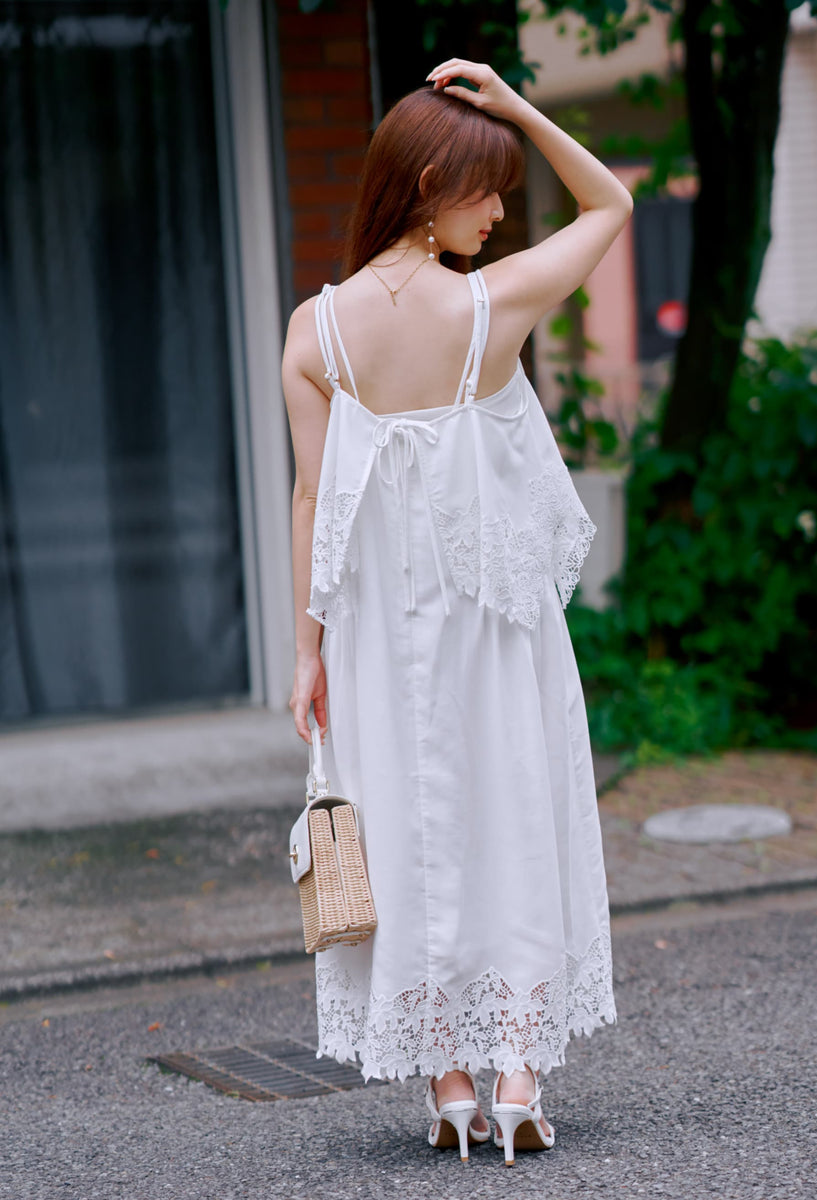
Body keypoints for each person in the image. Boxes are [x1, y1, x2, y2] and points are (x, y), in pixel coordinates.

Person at [281, 58, 633, 1166]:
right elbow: (611, 204)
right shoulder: (491, 306)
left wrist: (307, 652)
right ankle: (517, 1078)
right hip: (494, 618)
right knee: (512, 810)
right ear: (431, 184)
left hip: (380, 631)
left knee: (407, 826)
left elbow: (309, 498)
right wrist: (517, 103)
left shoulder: (315, 330)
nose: (498, 216)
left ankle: (449, 1087)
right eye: (486, 191)